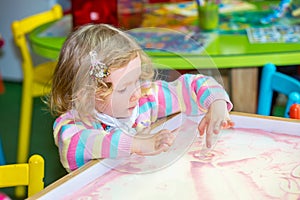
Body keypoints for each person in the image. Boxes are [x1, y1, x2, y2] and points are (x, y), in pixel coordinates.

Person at [47, 23, 234, 172]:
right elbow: (80, 144)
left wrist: (216, 102)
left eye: (136, 80)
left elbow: (192, 85)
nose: (136, 93)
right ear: (87, 94)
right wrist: (136, 144)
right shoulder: (72, 125)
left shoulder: (146, 99)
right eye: (123, 89)